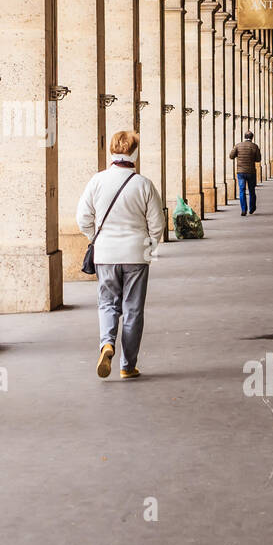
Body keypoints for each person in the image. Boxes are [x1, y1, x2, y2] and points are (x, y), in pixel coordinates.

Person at [76, 130, 165, 380]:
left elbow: (82, 218)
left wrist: (98, 239)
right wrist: (148, 250)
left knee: (107, 303)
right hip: (136, 254)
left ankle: (107, 344)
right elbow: (157, 223)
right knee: (133, 309)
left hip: (105, 254)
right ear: (135, 152)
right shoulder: (144, 184)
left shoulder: (97, 181)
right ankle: (128, 365)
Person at [228, 129, 262, 216]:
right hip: (251, 172)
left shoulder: (238, 145)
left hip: (241, 172)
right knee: (251, 190)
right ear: (252, 137)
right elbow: (258, 159)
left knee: (242, 191)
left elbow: (231, 156)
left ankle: (243, 209)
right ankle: (252, 208)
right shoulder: (254, 146)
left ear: (244, 137)